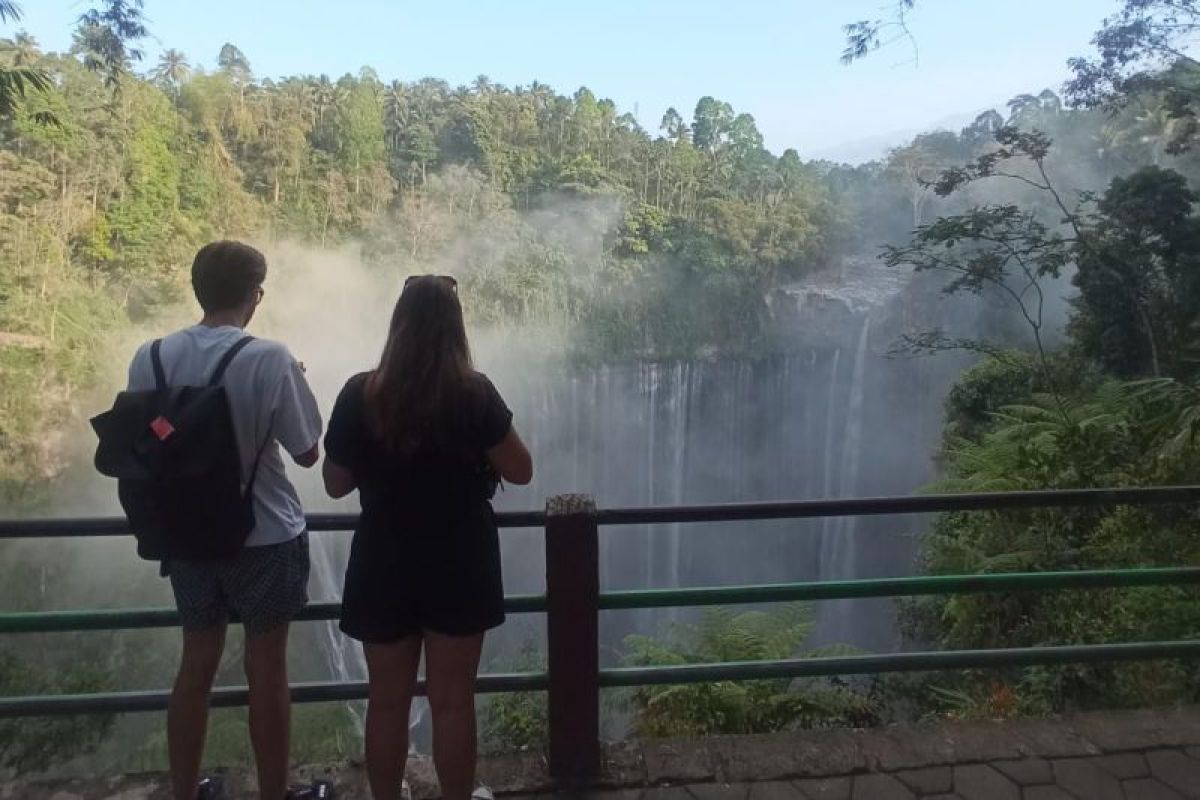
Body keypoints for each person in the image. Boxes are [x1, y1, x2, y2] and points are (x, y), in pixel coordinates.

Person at [125, 241, 331, 800]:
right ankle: (273, 793)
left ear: (198, 290)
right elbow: (309, 450)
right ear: (255, 296)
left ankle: (186, 791)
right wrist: (294, 379)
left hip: (185, 535)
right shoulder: (269, 358)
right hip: (264, 535)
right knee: (267, 668)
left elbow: (145, 442)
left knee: (196, 665)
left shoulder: (150, 357)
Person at [322, 275, 533, 800]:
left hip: (384, 558)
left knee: (387, 700)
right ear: (454, 329)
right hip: (459, 558)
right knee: (454, 700)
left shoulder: (361, 393)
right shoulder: (472, 393)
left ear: (398, 326)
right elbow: (522, 469)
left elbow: (334, 481)